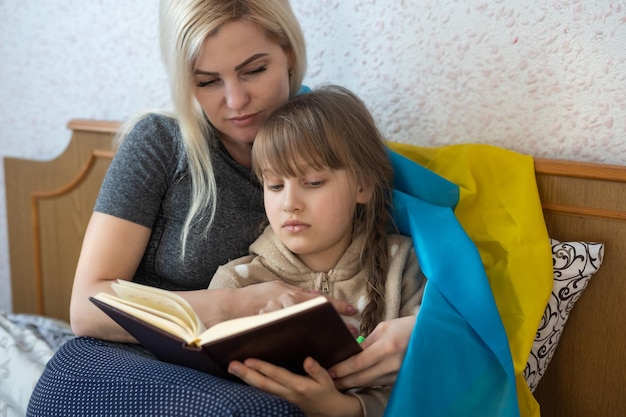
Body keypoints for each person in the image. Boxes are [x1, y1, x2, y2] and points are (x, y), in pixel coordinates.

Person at [27, 1, 416, 416]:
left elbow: (438, 273)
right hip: (117, 362)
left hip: (231, 386)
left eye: (253, 70)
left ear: (289, 56)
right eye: (208, 81)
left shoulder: (332, 140)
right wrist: (240, 303)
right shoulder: (159, 143)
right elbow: (86, 309)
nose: (236, 100)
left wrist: (421, 333)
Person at [209, 85, 426, 416]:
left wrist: (348, 409)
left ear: (363, 186)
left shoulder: (406, 267)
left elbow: (432, 387)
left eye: (313, 183)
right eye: (276, 185)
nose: (290, 204)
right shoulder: (237, 283)